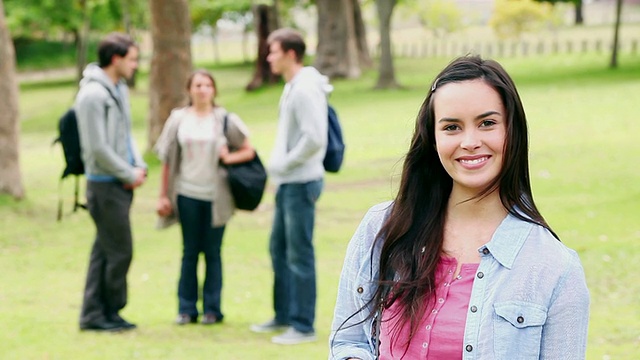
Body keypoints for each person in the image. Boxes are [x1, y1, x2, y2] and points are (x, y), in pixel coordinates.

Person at [329, 56, 590, 359]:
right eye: (452, 127)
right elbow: (349, 343)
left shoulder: (555, 269)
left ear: (512, 131)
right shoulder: (383, 228)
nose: (470, 141)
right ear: (433, 137)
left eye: (487, 123)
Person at [249, 28, 332, 345]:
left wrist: (280, 165)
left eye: (273, 51)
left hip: (301, 182)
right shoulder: (292, 87)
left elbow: (314, 139)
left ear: (290, 54)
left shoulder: (304, 90)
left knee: (299, 253)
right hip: (288, 183)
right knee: (279, 250)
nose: (268, 57)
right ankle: (283, 315)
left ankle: (303, 325)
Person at [154, 69, 256, 326]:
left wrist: (228, 157)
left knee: (213, 252)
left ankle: (213, 309)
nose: (202, 90)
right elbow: (166, 161)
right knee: (189, 251)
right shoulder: (178, 119)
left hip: (216, 197)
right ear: (189, 89)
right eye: (197, 85)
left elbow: (248, 149)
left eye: (207, 85)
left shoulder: (224, 119)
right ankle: (186, 309)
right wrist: (162, 196)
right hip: (186, 194)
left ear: (214, 90)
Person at [76, 32, 147, 332]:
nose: (136, 65)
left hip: (120, 181)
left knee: (104, 251)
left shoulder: (118, 90)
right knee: (120, 251)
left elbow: (125, 134)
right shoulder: (92, 95)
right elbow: (97, 149)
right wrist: (128, 174)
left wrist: (138, 163)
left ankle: (95, 314)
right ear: (116, 59)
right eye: (132, 59)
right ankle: (108, 311)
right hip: (104, 185)